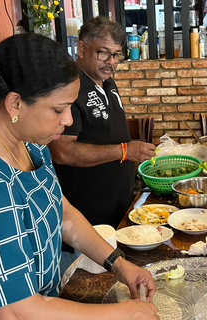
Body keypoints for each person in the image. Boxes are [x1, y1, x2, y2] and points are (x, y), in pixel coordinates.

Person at [0, 33, 158, 320]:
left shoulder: (29, 142)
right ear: (14, 104)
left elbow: (60, 210)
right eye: (58, 109)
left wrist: (117, 262)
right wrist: (122, 314)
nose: (69, 120)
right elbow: (17, 309)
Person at [48, 16, 156, 272]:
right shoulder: (70, 86)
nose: (111, 62)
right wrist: (125, 151)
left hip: (113, 213)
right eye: (103, 53)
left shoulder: (106, 82)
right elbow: (62, 151)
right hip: (83, 223)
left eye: (117, 55)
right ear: (82, 48)